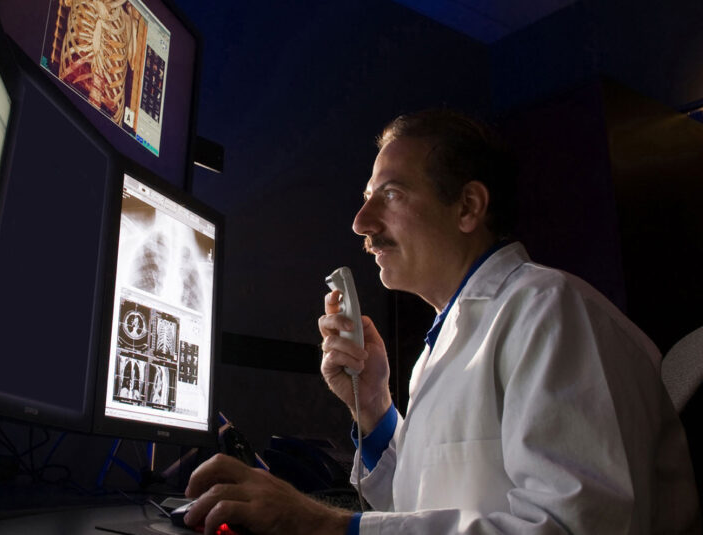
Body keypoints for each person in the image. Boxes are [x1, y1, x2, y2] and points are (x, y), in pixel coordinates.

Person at [181, 109, 700, 534]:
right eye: (366, 199)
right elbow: (422, 499)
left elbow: (573, 529)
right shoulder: (446, 341)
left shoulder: (550, 311)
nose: (361, 223)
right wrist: (375, 405)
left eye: (390, 194)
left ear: (468, 207)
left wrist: (323, 526)